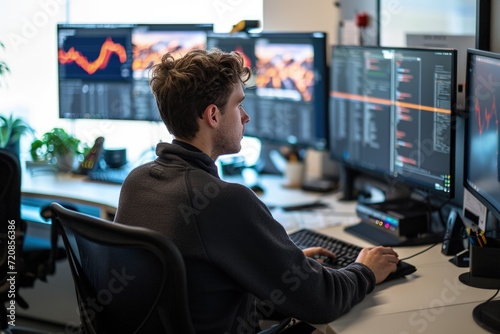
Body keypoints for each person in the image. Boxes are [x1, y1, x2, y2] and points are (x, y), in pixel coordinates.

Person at [114, 48, 400, 334]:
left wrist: (282, 265)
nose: (246, 116)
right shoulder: (223, 200)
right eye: (239, 104)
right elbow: (322, 301)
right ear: (213, 115)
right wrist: (366, 270)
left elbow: (203, 278)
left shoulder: (136, 182)